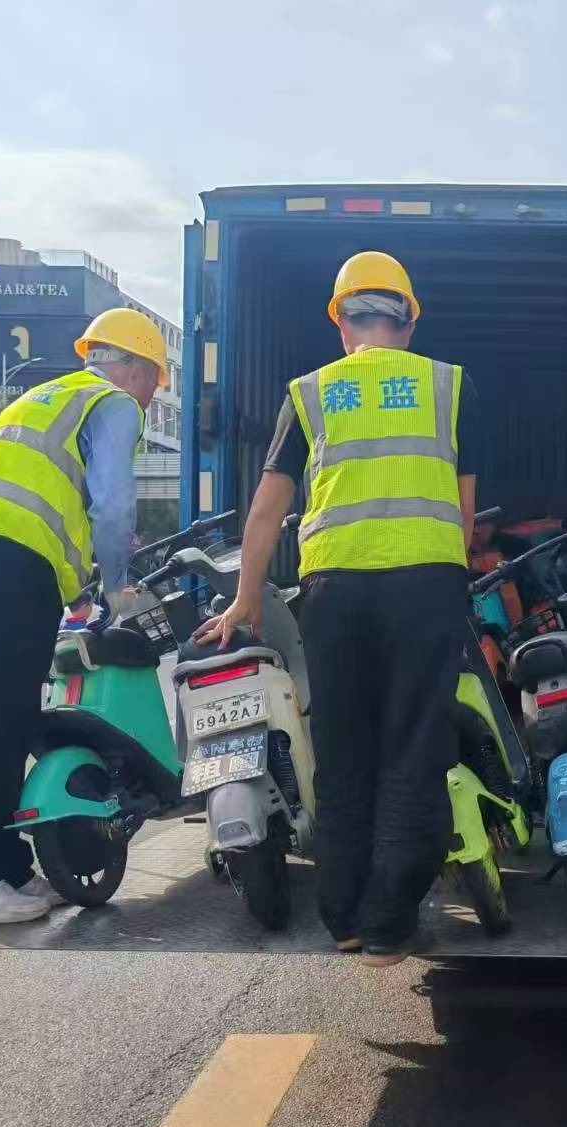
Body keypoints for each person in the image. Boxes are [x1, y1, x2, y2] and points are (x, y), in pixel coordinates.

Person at [196, 251, 476, 966]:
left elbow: (266, 509)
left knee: (345, 756)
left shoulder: (310, 393)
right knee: (412, 751)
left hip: (333, 593)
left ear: (341, 324)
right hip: (425, 585)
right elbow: (463, 513)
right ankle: (388, 925)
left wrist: (245, 598)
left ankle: (344, 918)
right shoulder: (448, 386)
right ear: (408, 323)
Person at [0, 309, 166, 924]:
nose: (149, 400)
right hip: (9, 562)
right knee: (2, 720)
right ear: (136, 369)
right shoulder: (113, 402)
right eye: (154, 385)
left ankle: (3, 867)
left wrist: (77, 593)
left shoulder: (41, 397)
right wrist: (118, 585)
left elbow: (41, 496)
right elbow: (111, 505)